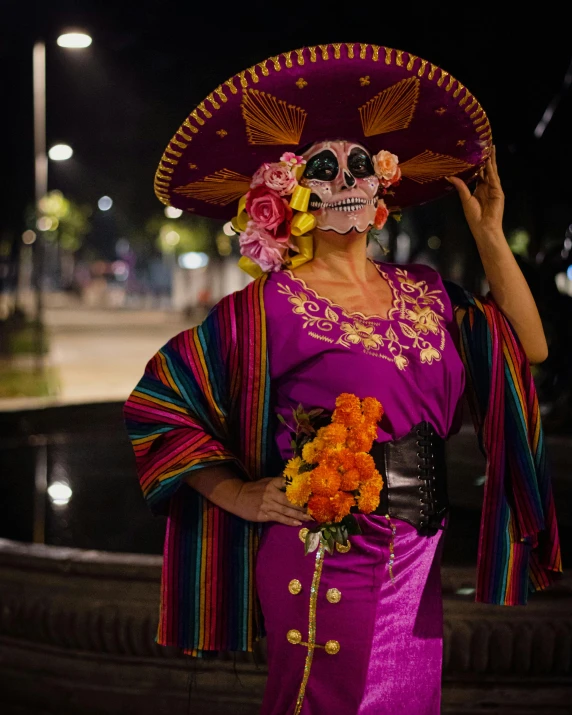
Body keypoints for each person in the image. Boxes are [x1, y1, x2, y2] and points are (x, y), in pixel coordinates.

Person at [124, 43, 562, 715]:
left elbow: (527, 347)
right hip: (326, 554)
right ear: (290, 189)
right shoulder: (268, 306)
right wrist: (242, 494)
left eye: (362, 163)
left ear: (384, 183)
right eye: (325, 167)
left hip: (417, 555)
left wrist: (491, 238)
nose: (349, 178)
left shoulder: (428, 291)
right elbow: (160, 400)